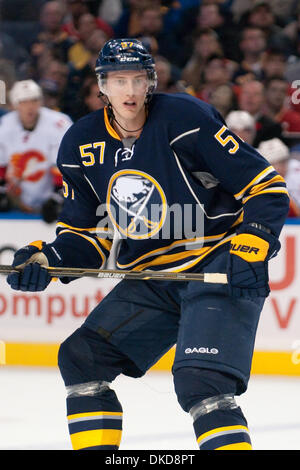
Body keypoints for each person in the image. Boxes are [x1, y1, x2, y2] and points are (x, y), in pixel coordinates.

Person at [6, 39, 289, 451]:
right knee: (83, 359)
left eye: (138, 79)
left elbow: (265, 188)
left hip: (218, 262)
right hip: (154, 275)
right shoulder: (81, 145)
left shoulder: (186, 118)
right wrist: (46, 259)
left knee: (201, 382)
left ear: (151, 82)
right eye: (119, 80)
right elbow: (89, 235)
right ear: (102, 85)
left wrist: (254, 242)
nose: (130, 91)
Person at [0, 79, 72, 221]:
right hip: (17, 200)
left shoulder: (59, 124)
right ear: (15, 105)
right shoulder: (5, 126)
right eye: (23, 102)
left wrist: (57, 197)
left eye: (34, 101)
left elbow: (66, 168)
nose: (30, 107)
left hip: (52, 197)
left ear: (41, 102)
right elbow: (1, 165)